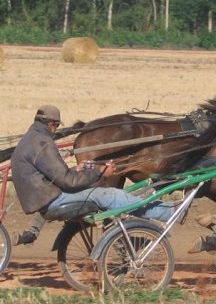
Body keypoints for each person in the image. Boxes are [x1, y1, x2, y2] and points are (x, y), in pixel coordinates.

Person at [11, 105, 177, 246]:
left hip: (45, 198)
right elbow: (67, 181)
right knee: (110, 195)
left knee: (104, 194)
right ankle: (168, 212)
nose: (55, 130)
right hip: (54, 200)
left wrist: (80, 170)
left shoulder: (30, 139)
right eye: (55, 126)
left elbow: (56, 175)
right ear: (52, 125)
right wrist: (99, 172)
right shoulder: (43, 143)